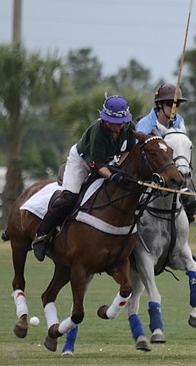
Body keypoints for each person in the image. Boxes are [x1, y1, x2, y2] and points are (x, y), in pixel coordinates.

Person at [32, 94, 136, 262]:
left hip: (110, 162)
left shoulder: (129, 127)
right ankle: (42, 234)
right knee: (69, 198)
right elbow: (97, 165)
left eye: (120, 122)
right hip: (83, 160)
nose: (117, 126)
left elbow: (129, 149)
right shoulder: (98, 131)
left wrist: (119, 167)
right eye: (112, 122)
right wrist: (113, 176)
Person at [137, 83, 196, 224]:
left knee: (191, 201)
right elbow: (139, 154)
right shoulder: (145, 125)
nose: (173, 109)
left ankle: (183, 229)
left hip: (172, 174)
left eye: (176, 105)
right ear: (160, 105)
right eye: (170, 104)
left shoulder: (179, 121)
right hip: (148, 175)